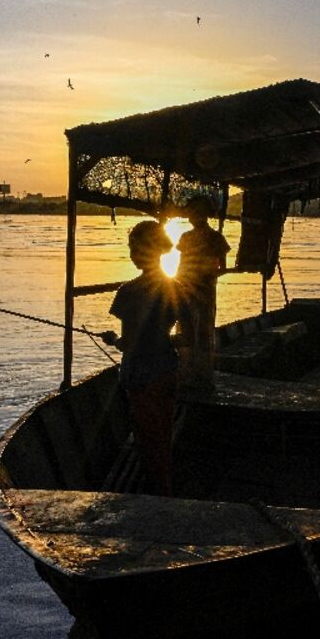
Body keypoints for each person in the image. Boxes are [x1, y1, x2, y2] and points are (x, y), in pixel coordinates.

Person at [100, 220, 181, 496]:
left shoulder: (129, 291)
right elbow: (185, 337)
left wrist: (114, 340)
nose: (131, 254)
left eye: (134, 248)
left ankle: (158, 494)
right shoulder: (176, 287)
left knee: (147, 440)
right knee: (163, 435)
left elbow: (130, 343)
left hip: (142, 377)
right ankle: (164, 487)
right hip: (168, 370)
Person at [175, 196, 230, 390]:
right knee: (190, 331)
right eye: (191, 212)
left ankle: (199, 377)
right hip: (187, 290)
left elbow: (221, 266)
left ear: (205, 214)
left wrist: (203, 275)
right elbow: (182, 265)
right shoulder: (187, 237)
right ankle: (190, 375)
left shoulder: (214, 238)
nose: (192, 216)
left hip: (201, 292)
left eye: (195, 212)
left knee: (199, 332)